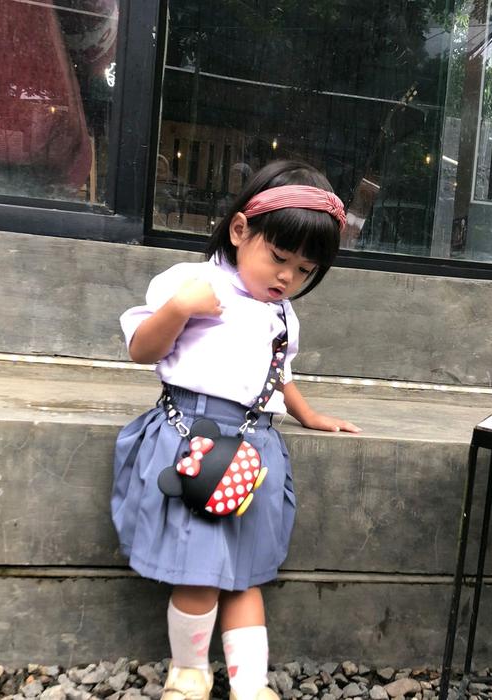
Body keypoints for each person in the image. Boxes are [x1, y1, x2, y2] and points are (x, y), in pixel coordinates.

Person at [112, 160, 360, 700]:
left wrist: (308, 413)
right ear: (241, 230)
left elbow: (278, 374)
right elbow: (142, 350)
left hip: (254, 450)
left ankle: (251, 686)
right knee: (199, 571)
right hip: (191, 438)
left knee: (246, 575)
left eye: (304, 270)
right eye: (279, 258)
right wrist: (180, 308)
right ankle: (189, 674)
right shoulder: (190, 282)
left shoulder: (283, 314)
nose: (287, 278)